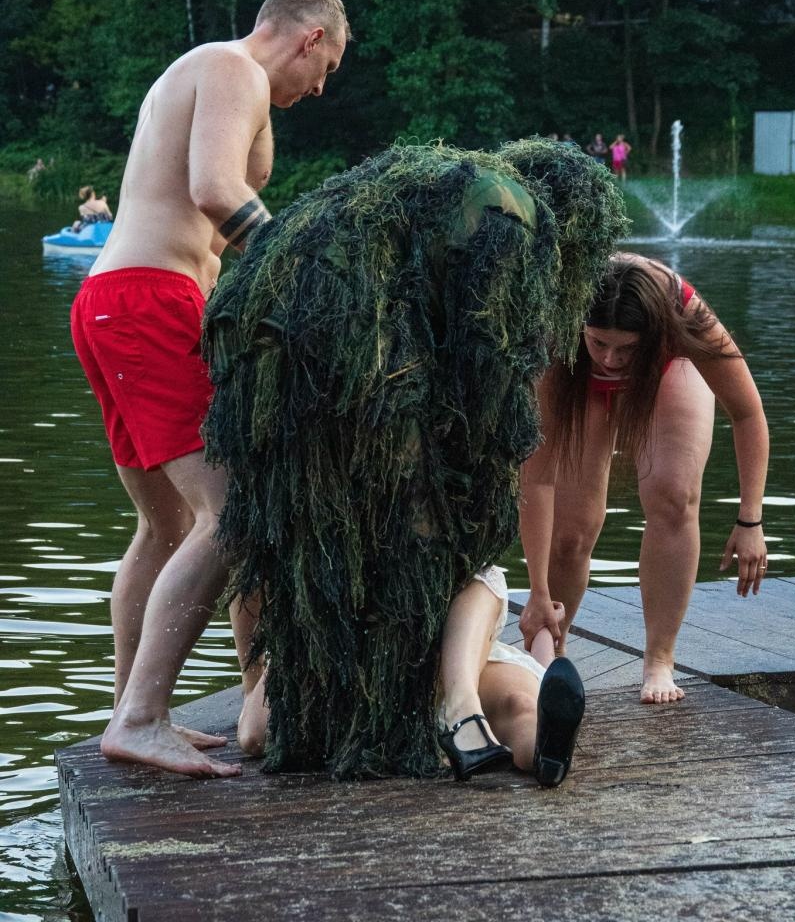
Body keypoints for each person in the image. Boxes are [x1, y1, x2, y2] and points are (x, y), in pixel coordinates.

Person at [202, 138, 626, 778]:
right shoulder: (511, 212)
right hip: (366, 372)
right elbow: (487, 358)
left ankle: (273, 693)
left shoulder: (403, 190)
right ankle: (470, 713)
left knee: (279, 543)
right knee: (472, 578)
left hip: (266, 353)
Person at [70, 0, 350, 777]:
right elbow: (216, 191)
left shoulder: (201, 72)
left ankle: (130, 711)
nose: (319, 89)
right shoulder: (234, 69)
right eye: (325, 66)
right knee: (232, 517)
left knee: (165, 526)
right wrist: (305, 266)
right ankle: (143, 716)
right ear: (308, 37)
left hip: (114, 302)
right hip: (147, 302)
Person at [518, 253, 769, 705]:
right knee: (572, 532)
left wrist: (750, 520)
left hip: (669, 369)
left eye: (626, 348)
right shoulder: (555, 324)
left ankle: (659, 659)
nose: (612, 359)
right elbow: (536, 480)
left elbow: (747, 412)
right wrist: (536, 591)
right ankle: (552, 648)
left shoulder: (686, 315)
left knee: (673, 496)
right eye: (600, 343)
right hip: (577, 379)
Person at [437, 567, 585, 787]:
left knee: (523, 703)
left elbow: (545, 672)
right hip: (418, 658)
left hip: (464, 650)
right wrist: (543, 631)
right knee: (483, 580)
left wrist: (543, 632)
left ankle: (544, 752)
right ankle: (464, 714)